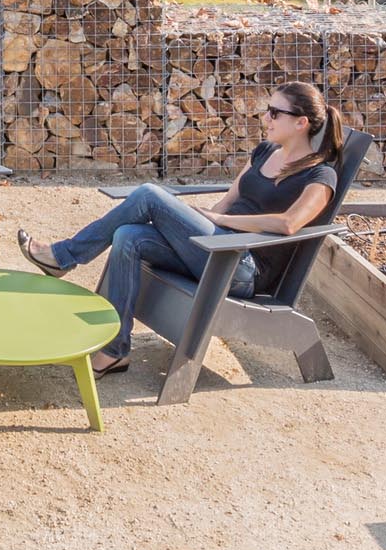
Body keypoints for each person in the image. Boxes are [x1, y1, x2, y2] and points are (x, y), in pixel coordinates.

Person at [18, 82, 346, 375]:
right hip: (213, 245)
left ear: (301, 123)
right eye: (267, 110)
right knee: (127, 236)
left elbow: (289, 223)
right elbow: (231, 197)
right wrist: (204, 220)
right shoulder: (264, 152)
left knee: (148, 194)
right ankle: (114, 351)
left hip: (241, 266)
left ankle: (63, 257)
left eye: (275, 113)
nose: (266, 118)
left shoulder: (320, 176)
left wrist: (221, 222)